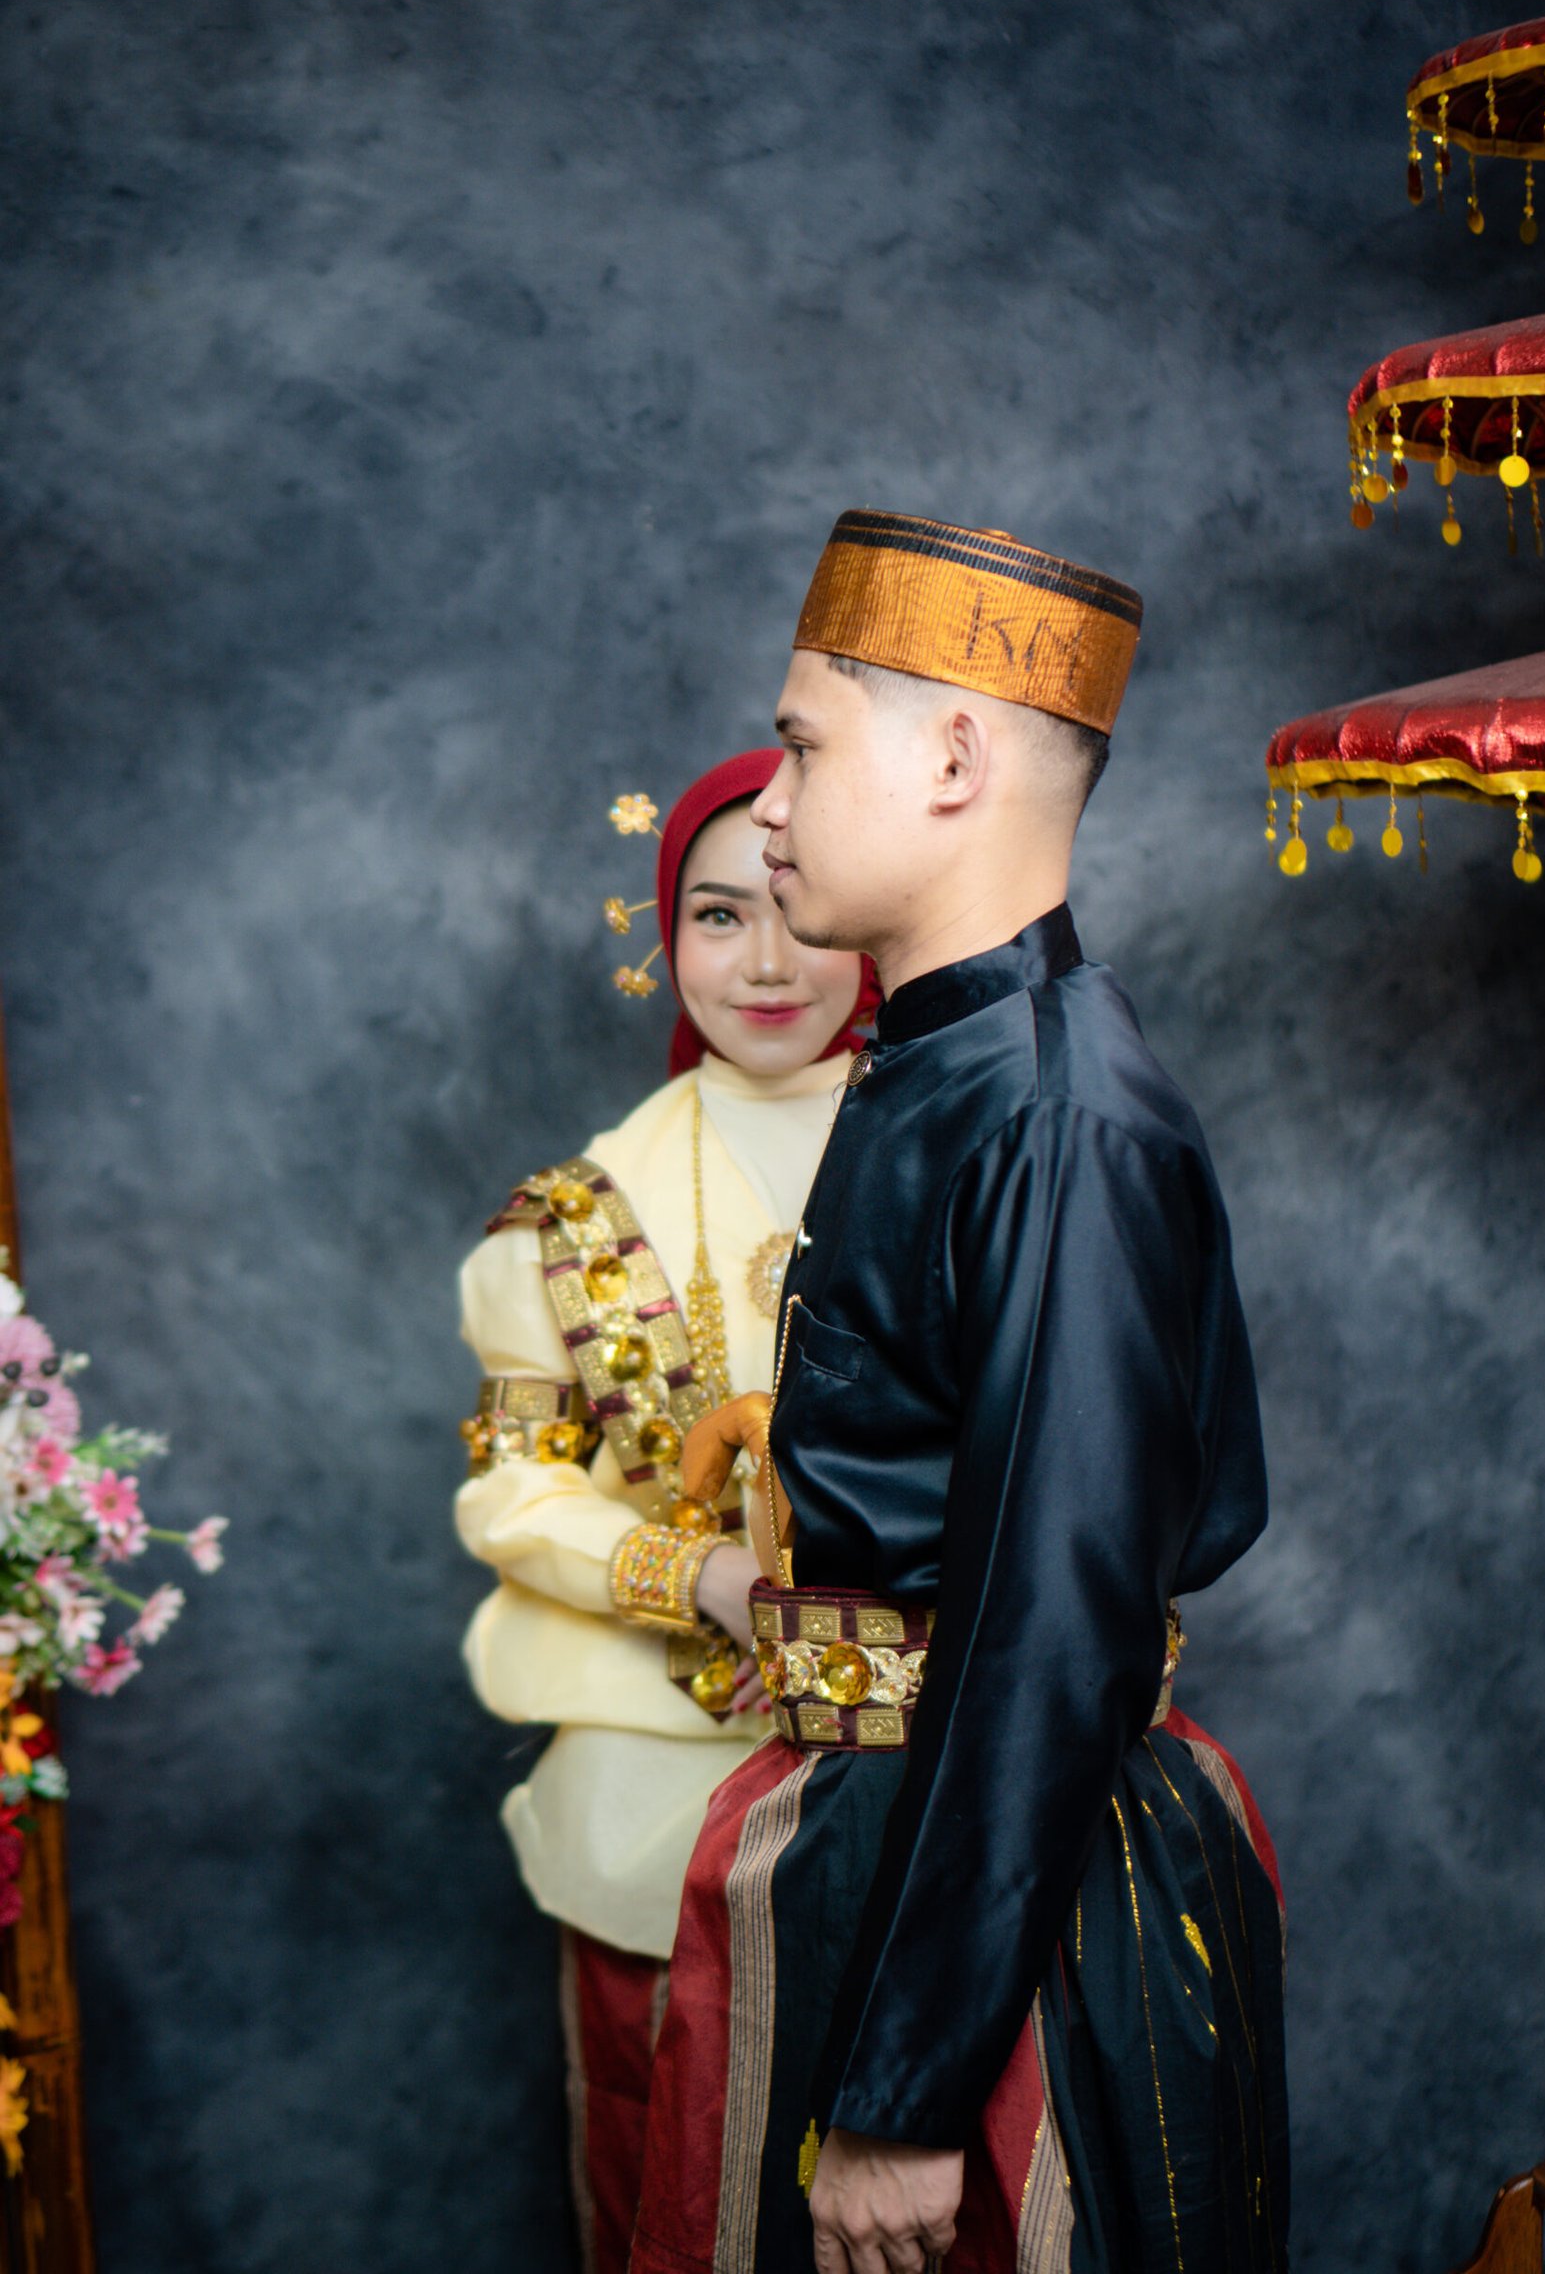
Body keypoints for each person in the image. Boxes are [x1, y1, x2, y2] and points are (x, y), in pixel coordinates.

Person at [630, 514, 1289, 2274]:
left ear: (954, 758)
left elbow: (1051, 1626)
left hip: (1000, 1912)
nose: (770, 805)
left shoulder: (1059, 1113)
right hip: (881, 1841)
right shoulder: (940, 1061)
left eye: (801, 746)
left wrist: (910, 2088)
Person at [453, 749, 876, 2274]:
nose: (766, 962)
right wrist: (693, 1576)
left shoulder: (976, 1149)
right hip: (650, 1810)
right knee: (675, 2211)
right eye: (716, 915)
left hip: (928, 1788)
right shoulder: (573, 1219)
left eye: (800, 910)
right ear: (664, 932)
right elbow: (514, 1484)